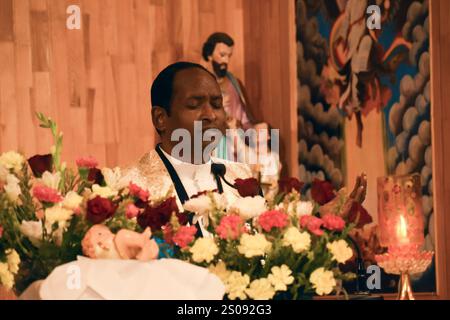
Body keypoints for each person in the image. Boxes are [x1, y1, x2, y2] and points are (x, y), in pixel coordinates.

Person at [121, 62, 253, 236]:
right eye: (193, 105)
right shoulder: (129, 186)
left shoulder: (241, 177)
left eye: (216, 104)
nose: (211, 115)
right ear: (160, 118)